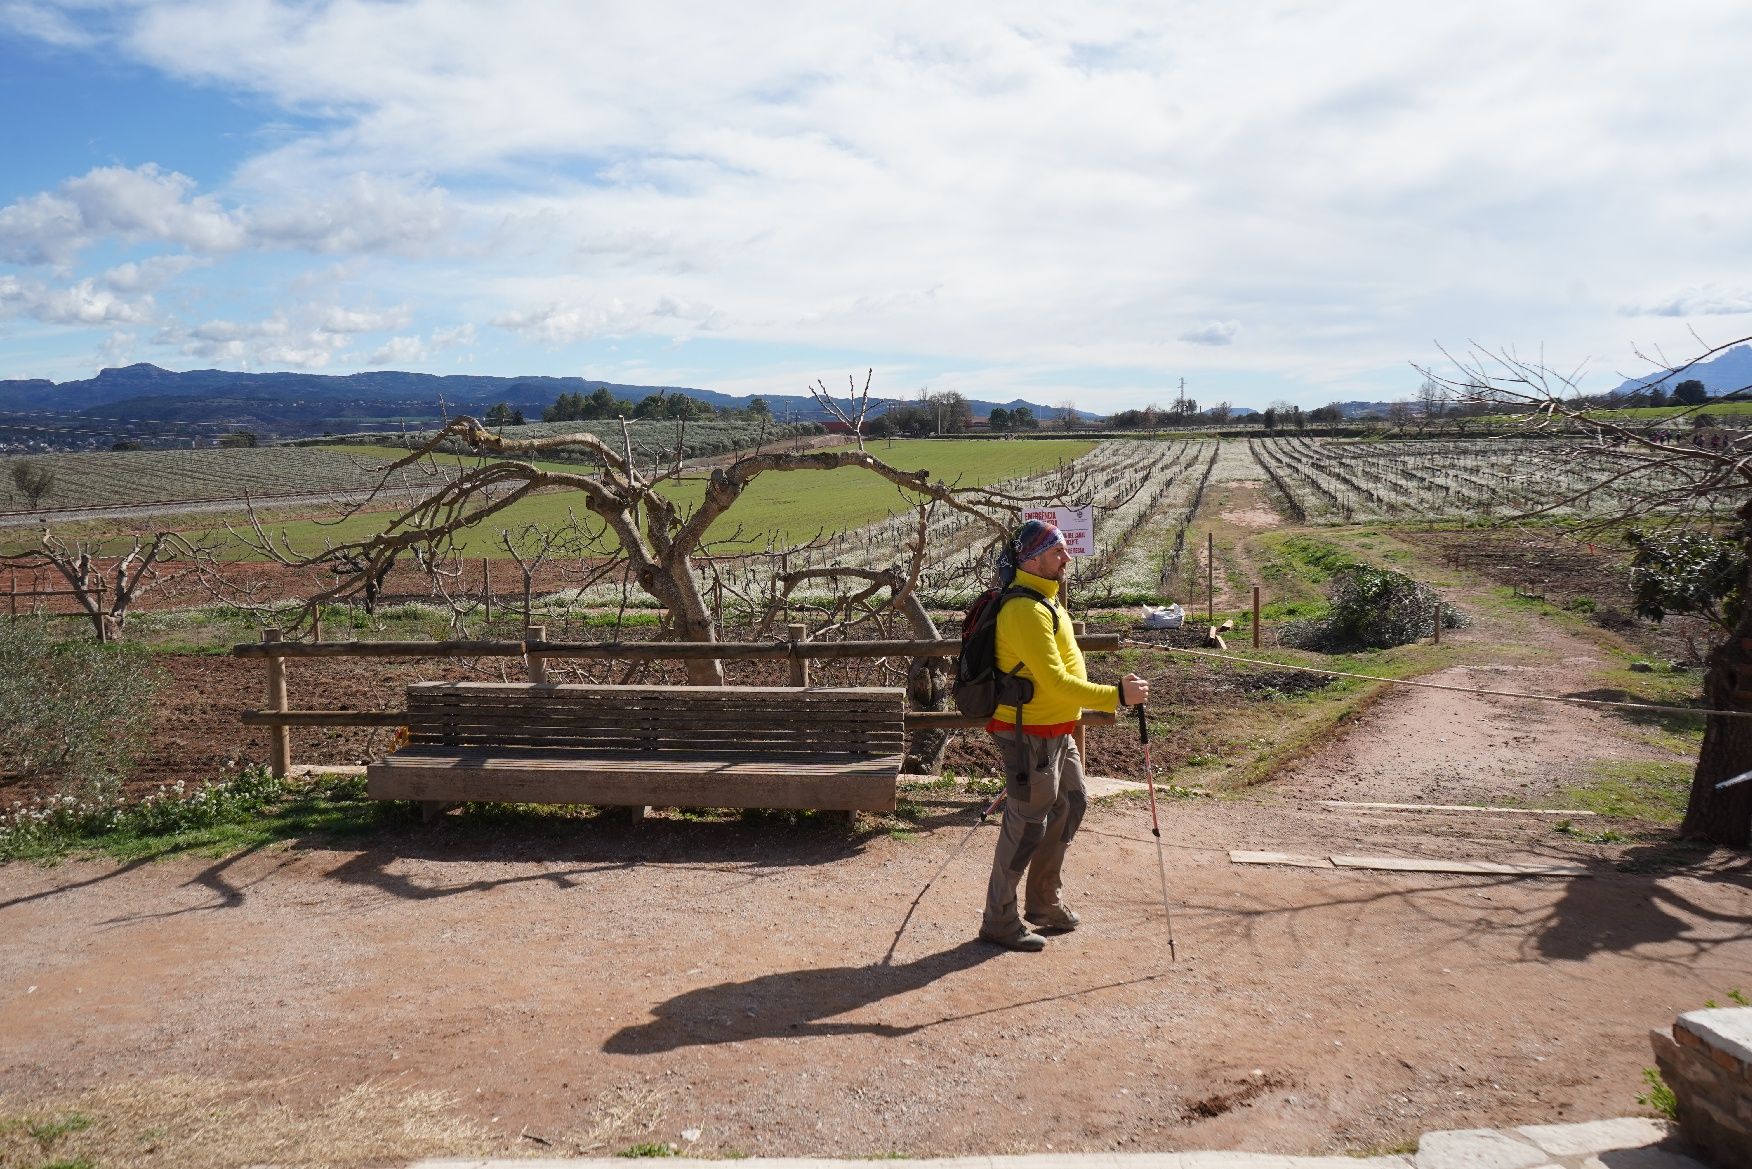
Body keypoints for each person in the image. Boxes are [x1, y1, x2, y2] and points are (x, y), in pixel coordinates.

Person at [979, 519, 1150, 952]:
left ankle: (1043, 903)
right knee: (1025, 825)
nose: (1067, 557)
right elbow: (1054, 682)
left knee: (1071, 804)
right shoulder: (1024, 610)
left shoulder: (1047, 601)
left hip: (1057, 731)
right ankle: (999, 920)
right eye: (1057, 551)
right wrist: (1117, 696)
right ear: (1033, 559)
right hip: (1028, 733)